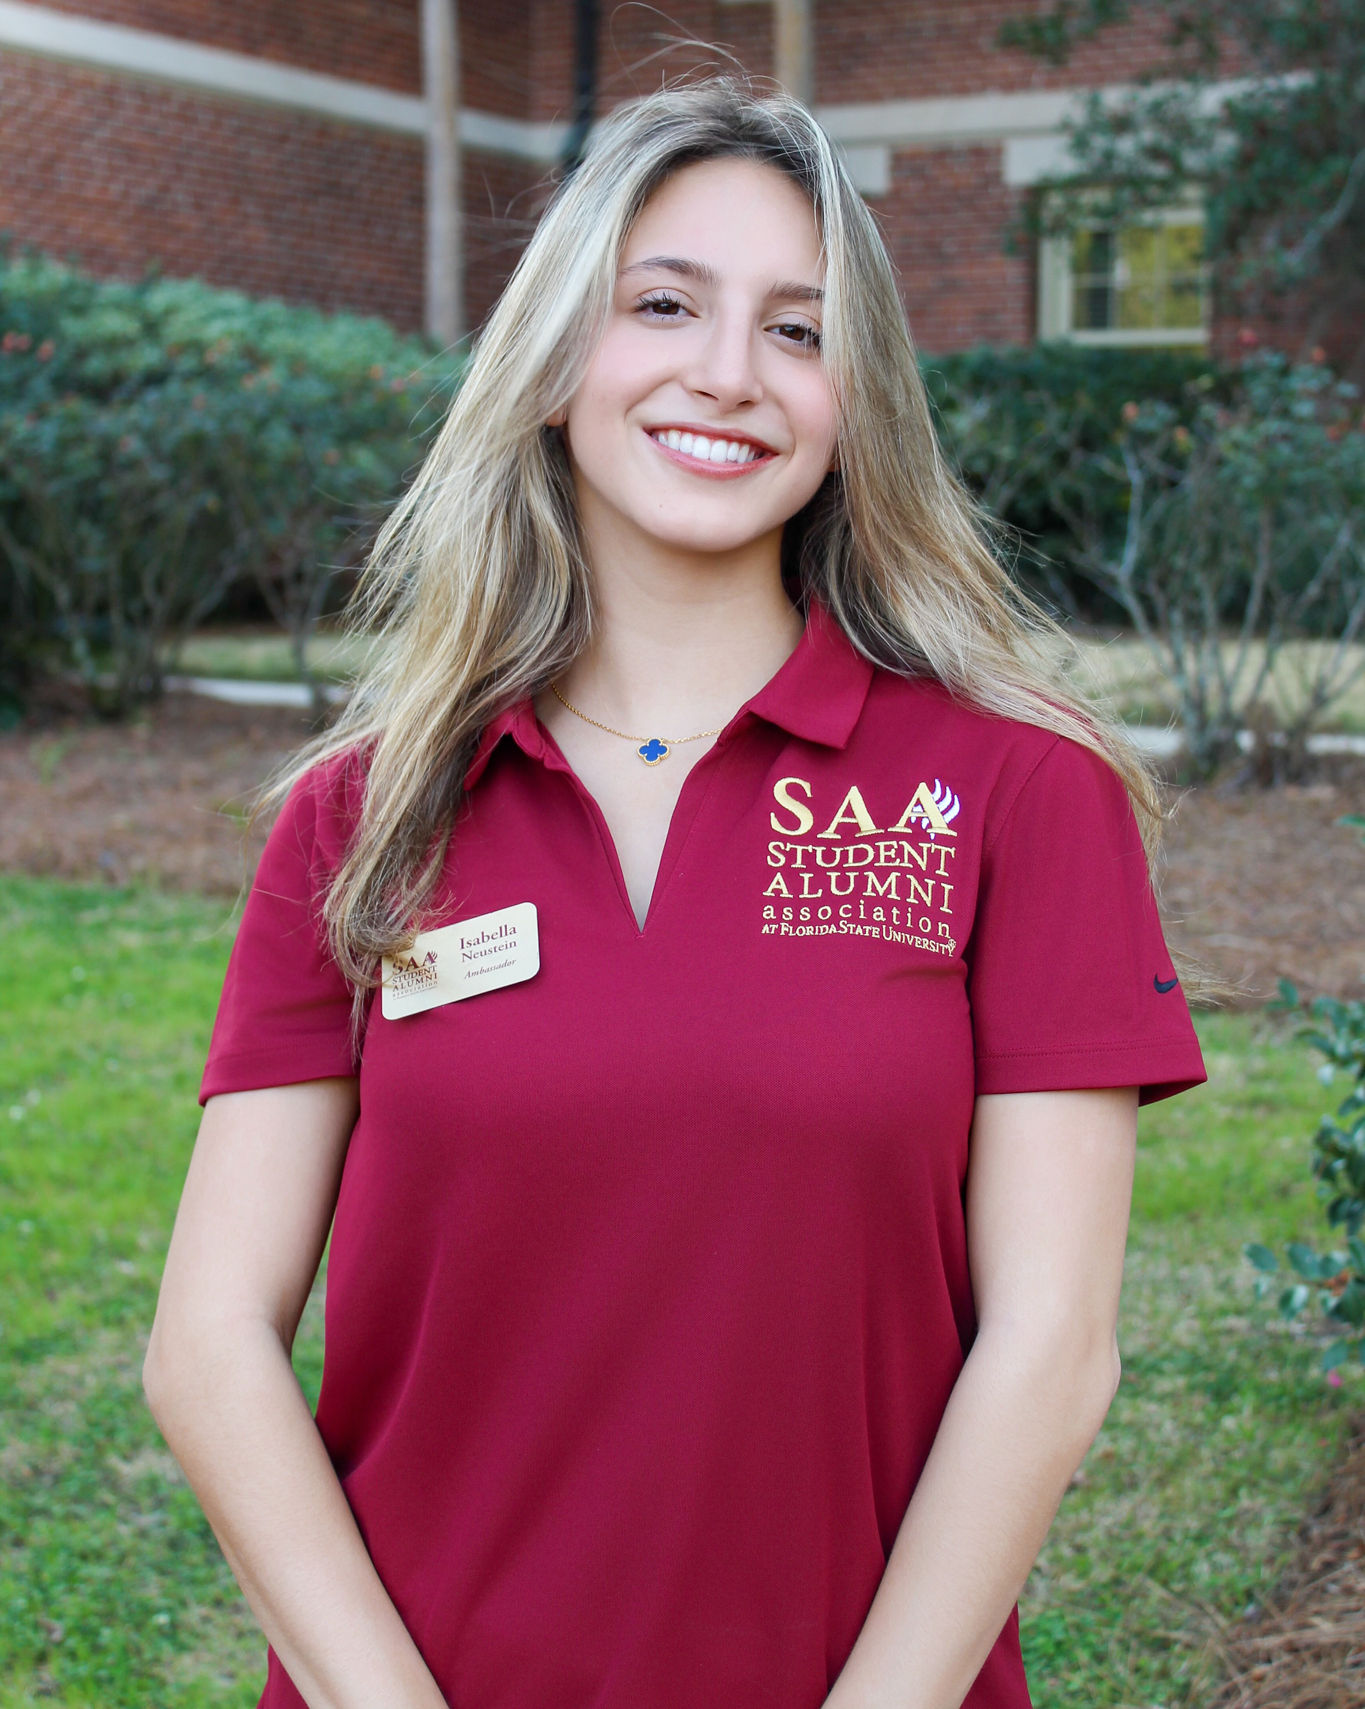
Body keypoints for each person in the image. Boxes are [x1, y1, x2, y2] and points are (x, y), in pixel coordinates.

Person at [144, 76, 1207, 1709]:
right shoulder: (363, 818)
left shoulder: (1018, 792)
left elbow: (1048, 1350)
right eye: (663, 303)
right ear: (561, 353)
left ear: (858, 399)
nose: (727, 373)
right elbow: (210, 1347)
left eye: (798, 329)